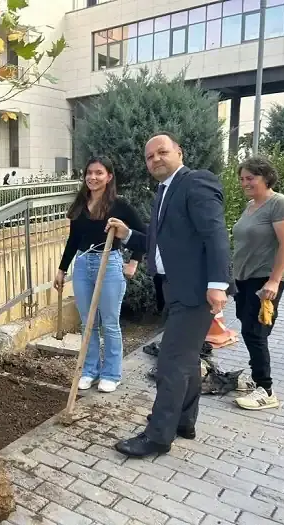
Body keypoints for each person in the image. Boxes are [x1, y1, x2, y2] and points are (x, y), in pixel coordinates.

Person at [106, 132, 231, 458]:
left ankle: (158, 436)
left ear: (180, 151)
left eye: (162, 152)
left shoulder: (195, 182)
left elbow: (215, 233)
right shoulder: (163, 192)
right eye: (149, 157)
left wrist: (218, 283)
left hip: (194, 292)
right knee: (186, 359)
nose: (155, 159)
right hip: (174, 288)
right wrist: (129, 234)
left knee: (171, 362)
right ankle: (184, 421)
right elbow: (163, 243)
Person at [54, 156, 145, 393]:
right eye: (89, 173)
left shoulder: (119, 205)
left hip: (110, 265)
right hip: (83, 264)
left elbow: (144, 235)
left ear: (109, 177)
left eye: (99, 173)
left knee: (111, 323)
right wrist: (62, 269)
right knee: (88, 323)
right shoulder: (81, 204)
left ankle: (111, 374)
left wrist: (134, 261)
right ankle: (89, 371)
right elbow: (73, 240)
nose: (93, 177)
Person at [231, 157, 284, 411]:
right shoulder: (250, 205)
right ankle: (256, 377)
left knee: (255, 331)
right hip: (244, 277)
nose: (245, 183)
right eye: (242, 178)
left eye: (251, 178)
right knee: (251, 327)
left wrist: (274, 280)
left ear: (266, 177)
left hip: (265, 278)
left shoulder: (279, 204)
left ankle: (266, 389)